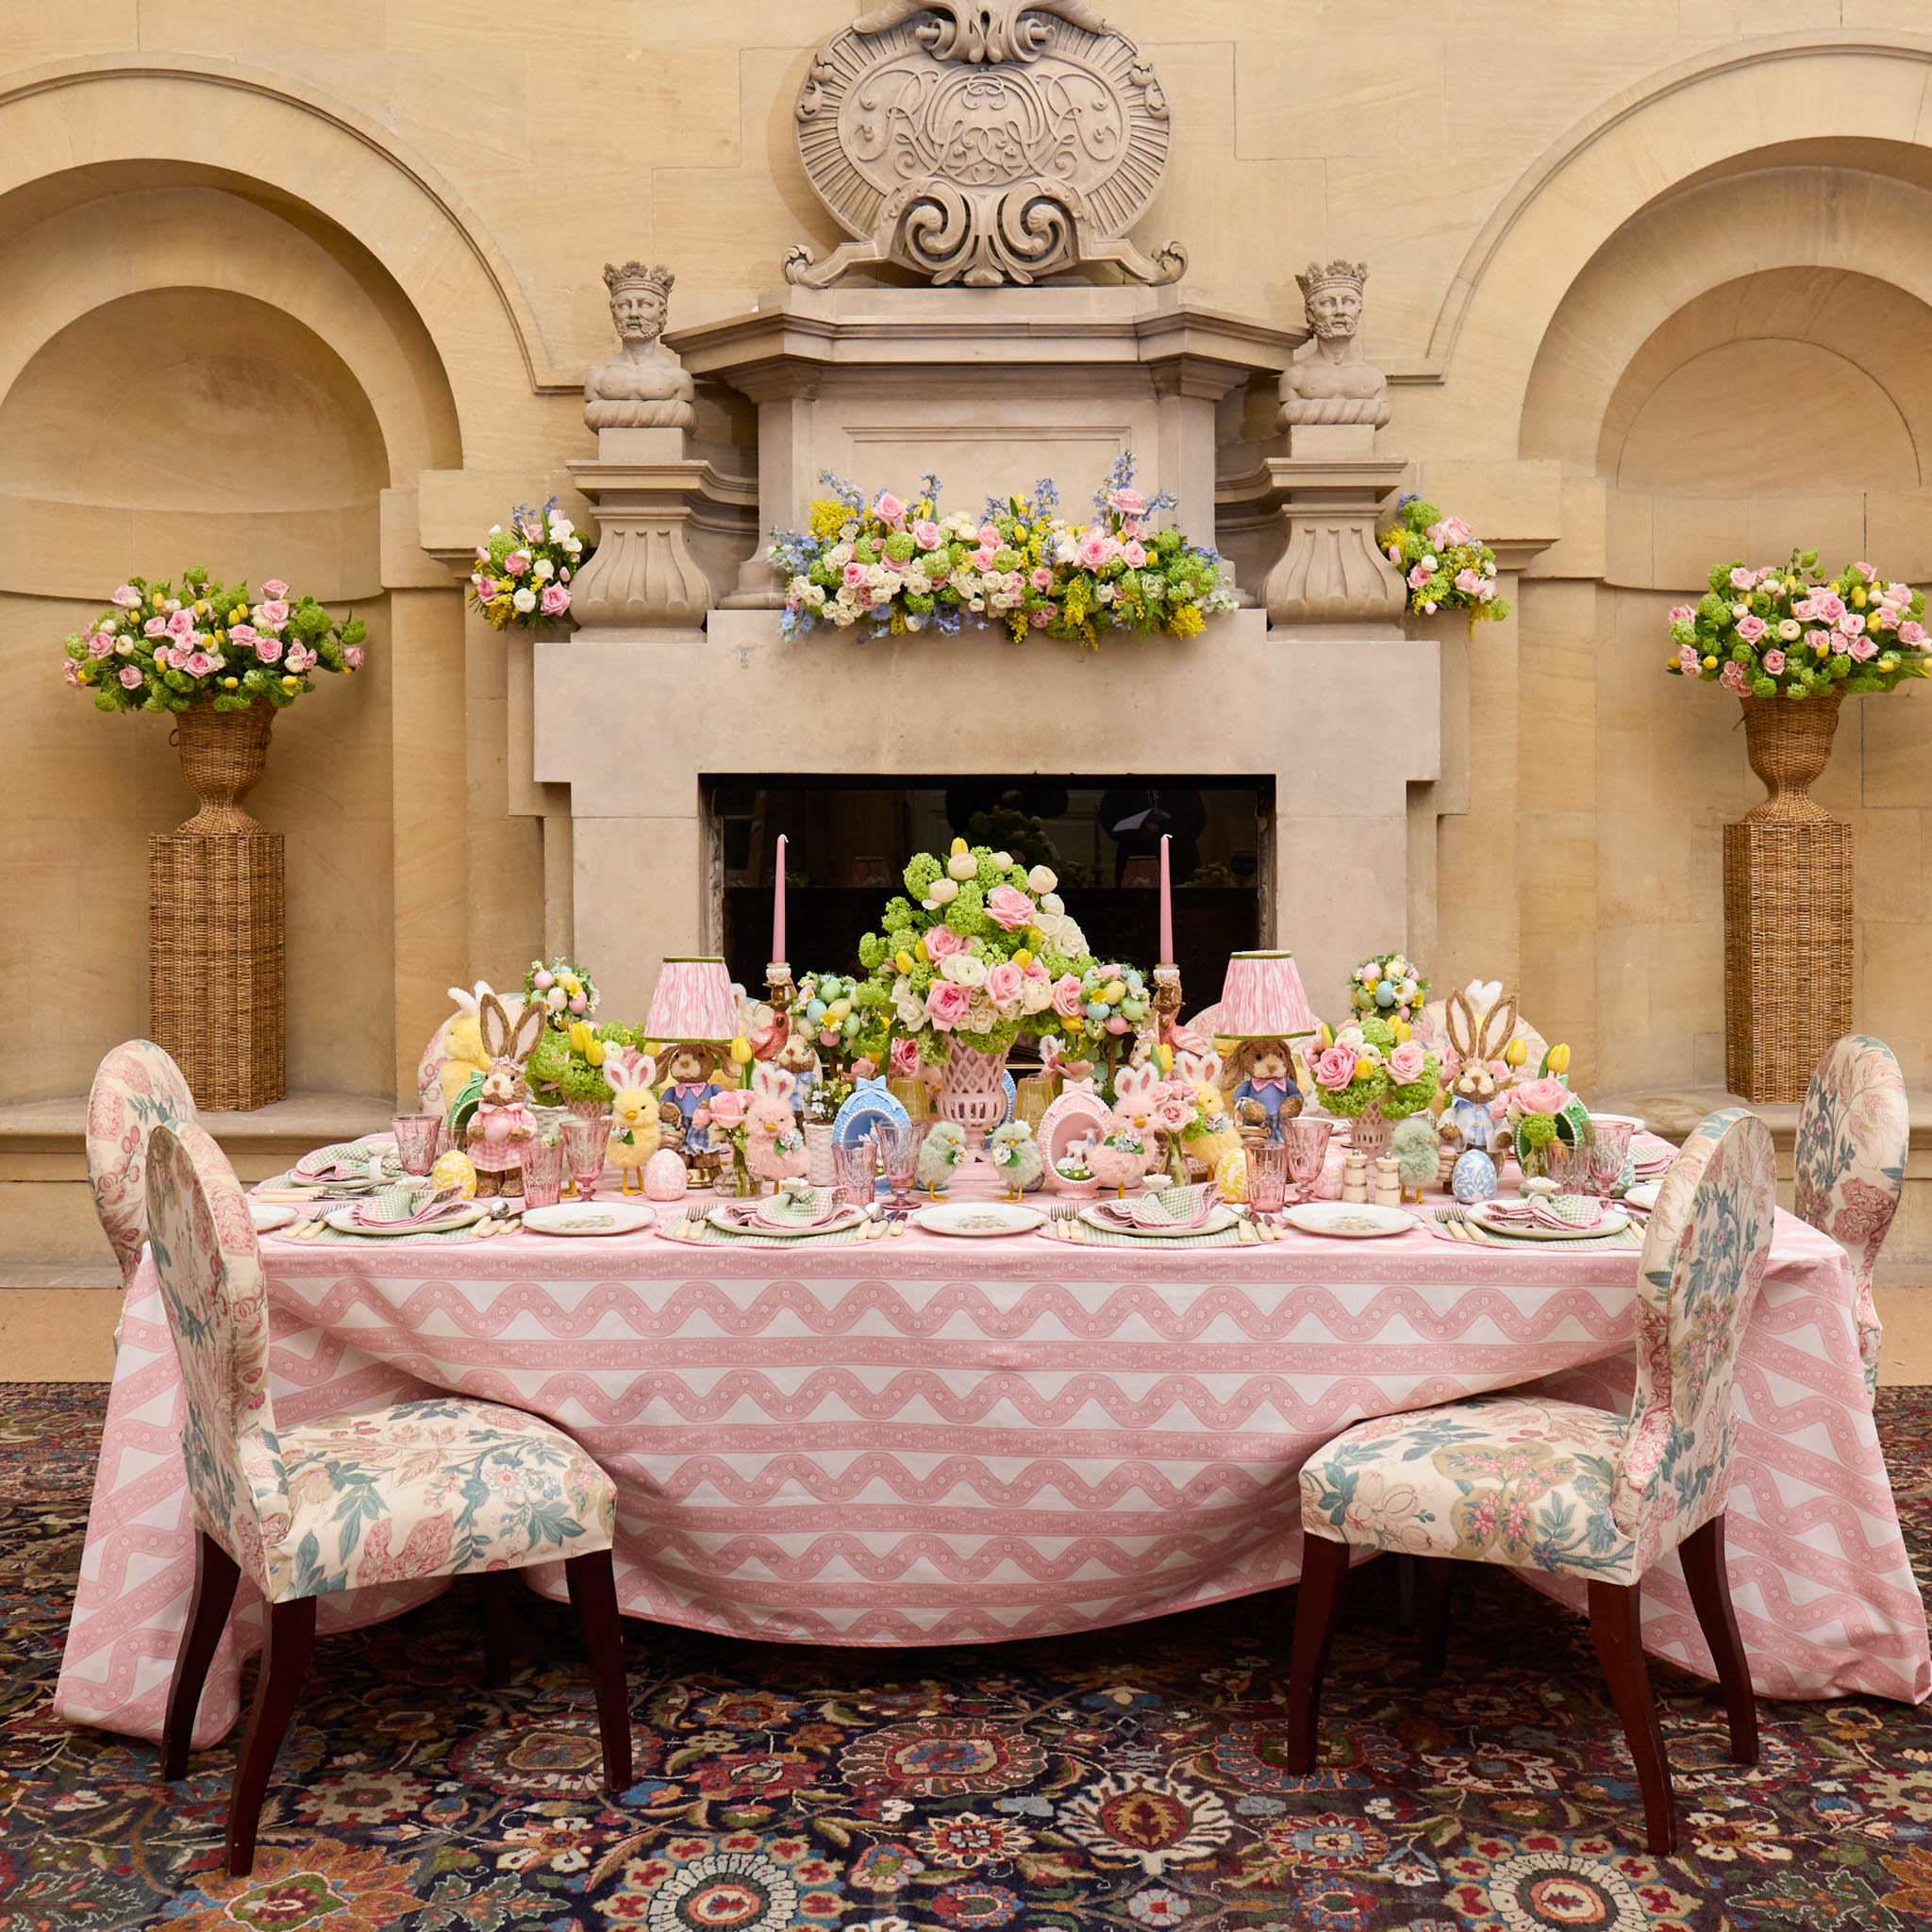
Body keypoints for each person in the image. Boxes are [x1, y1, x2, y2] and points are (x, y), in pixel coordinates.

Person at [1097, 786, 1206, 886]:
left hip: (1179, 859)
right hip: (1134, 857)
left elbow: (1196, 820)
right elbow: (1109, 818)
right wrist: (1140, 831)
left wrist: (1162, 829)